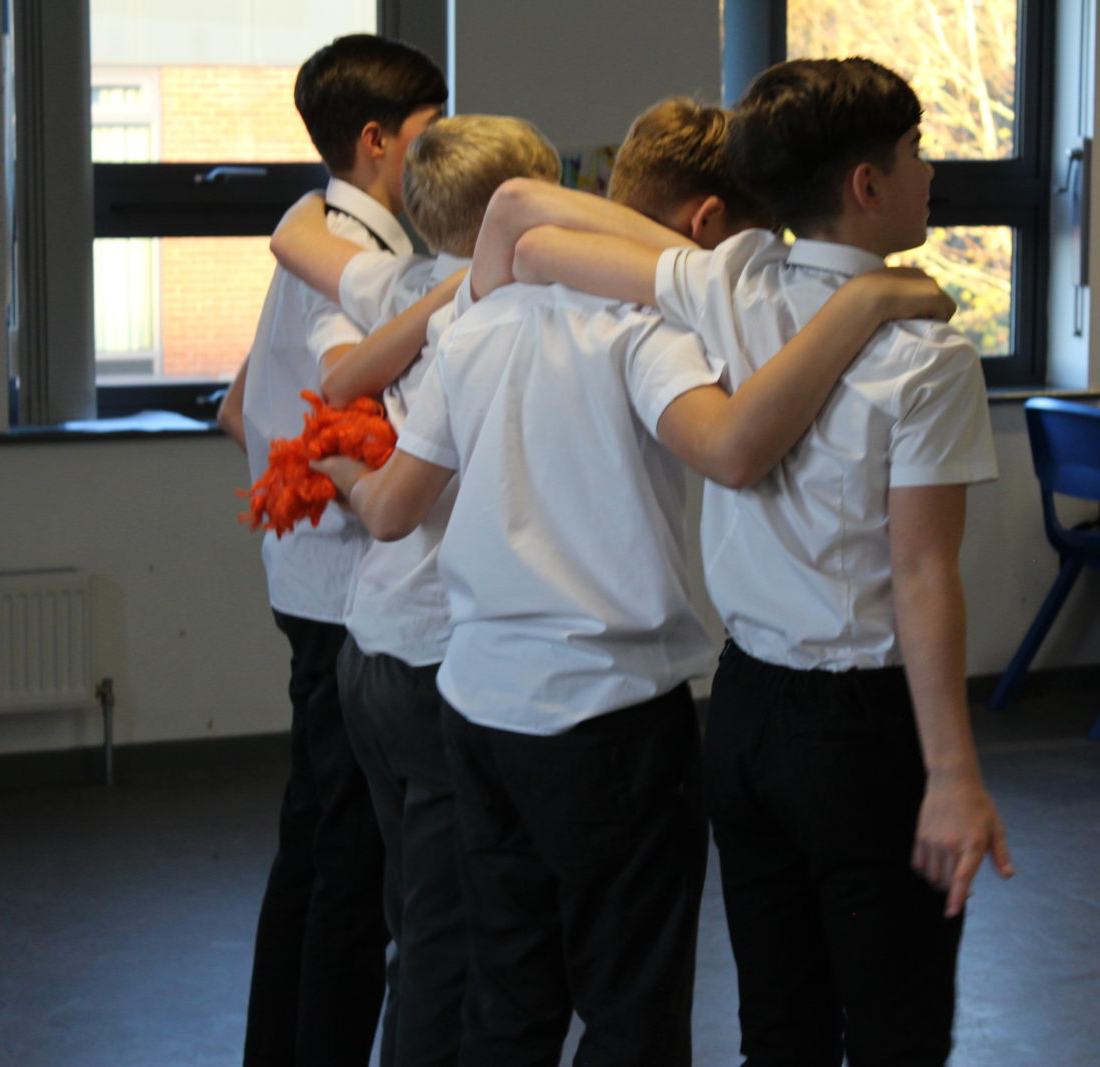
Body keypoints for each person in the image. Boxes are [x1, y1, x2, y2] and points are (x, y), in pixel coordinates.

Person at [313, 97, 957, 1066]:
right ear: (704, 228)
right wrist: (863, 301)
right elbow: (732, 450)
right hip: (603, 711)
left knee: (509, 991)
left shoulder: (479, 312)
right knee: (630, 1006)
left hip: (478, 697)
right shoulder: (646, 329)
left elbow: (400, 487)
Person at [509, 58, 1017, 1066]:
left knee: (778, 1029)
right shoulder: (929, 357)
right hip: (864, 733)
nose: (930, 177)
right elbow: (921, 575)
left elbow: (534, 239)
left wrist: (868, 293)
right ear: (866, 186)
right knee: (894, 1031)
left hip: (742, 717)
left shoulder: (727, 280)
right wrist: (952, 774)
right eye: (915, 156)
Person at [263, 113, 561, 1067]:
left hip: (374, 643)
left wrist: (330, 452)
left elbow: (296, 239)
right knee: (448, 937)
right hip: (438, 656)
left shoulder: (406, 283)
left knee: (417, 915)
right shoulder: (512, 313)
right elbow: (393, 507)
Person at [215, 33, 446, 1067]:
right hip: (348, 590)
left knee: (316, 850)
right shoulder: (364, 265)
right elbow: (338, 397)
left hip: (311, 579)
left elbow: (237, 408)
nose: (437, 159)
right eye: (427, 137)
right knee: (347, 870)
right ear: (374, 141)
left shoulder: (322, 234)